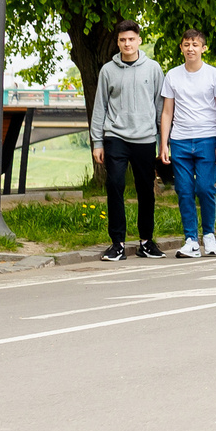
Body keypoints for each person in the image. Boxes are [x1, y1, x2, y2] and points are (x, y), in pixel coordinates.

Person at [91, 20, 164, 262]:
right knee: (114, 186)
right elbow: (99, 106)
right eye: (123, 40)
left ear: (139, 40)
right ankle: (117, 244)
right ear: (118, 42)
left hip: (144, 138)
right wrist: (97, 142)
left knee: (146, 190)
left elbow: (160, 107)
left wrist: (163, 141)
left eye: (131, 39)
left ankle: (145, 242)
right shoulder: (107, 71)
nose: (127, 43)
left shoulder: (153, 69)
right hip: (115, 137)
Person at [158, 28, 216, 259]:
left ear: (203, 48)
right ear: (181, 48)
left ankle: (209, 235)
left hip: (208, 139)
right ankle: (190, 240)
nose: (191, 49)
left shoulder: (214, 75)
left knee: (205, 188)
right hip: (180, 140)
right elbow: (167, 112)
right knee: (184, 190)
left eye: (195, 44)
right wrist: (164, 144)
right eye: (186, 44)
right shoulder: (173, 75)